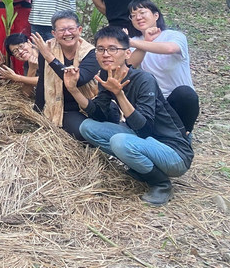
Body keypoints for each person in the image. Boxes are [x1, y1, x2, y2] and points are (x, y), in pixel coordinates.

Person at [69, 26, 193, 205]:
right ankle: (141, 167)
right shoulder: (106, 75)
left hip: (174, 153)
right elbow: (99, 113)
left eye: (113, 49)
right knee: (88, 127)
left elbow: (145, 129)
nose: (105, 54)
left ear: (127, 53)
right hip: (146, 142)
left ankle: (161, 183)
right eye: (100, 49)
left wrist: (119, 94)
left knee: (120, 141)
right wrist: (73, 90)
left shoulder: (144, 79)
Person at [128, 0, 199, 133]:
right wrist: (145, 41)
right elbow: (130, 64)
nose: (138, 17)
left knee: (186, 94)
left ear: (156, 15)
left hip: (178, 100)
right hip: (154, 101)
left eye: (142, 12)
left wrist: (134, 43)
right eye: (133, 15)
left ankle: (185, 134)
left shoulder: (174, 35)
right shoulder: (136, 42)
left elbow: (170, 49)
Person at [29, 11, 100, 140]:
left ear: (79, 30)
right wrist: (37, 113)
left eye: (71, 29)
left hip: (89, 104)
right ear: (54, 34)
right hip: (63, 107)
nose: (67, 34)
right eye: (62, 30)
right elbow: (42, 82)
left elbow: (79, 80)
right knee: (81, 132)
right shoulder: (48, 48)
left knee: (91, 132)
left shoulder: (91, 53)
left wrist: (49, 57)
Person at [0, 33, 39, 98]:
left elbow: (48, 81)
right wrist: (32, 69)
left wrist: (16, 78)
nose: (20, 51)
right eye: (15, 51)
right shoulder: (27, 65)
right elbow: (26, 94)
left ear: (29, 43)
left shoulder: (45, 54)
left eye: (21, 46)